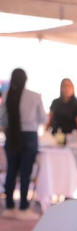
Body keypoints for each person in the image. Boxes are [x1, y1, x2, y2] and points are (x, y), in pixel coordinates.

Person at [0, 68, 46, 218]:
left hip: (12, 136)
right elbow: (43, 119)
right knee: (26, 172)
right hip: (29, 137)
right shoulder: (35, 96)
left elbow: (2, 119)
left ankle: (9, 205)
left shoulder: (7, 95)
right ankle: (23, 207)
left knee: (11, 171)